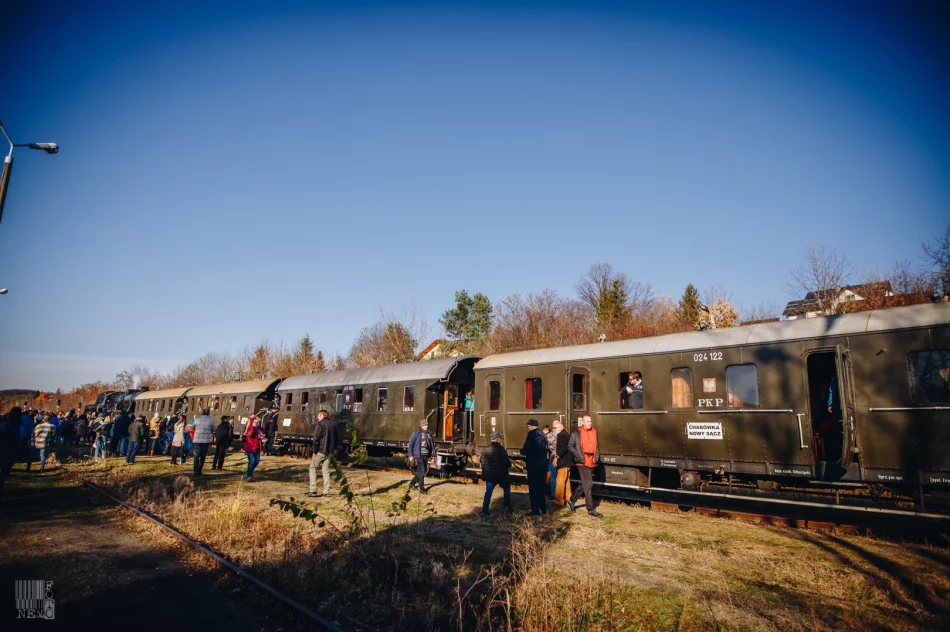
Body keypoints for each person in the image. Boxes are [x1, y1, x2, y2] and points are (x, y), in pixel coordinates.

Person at [567, 415, 602, 518]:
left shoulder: (594, 432)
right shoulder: (577, 432)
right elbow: (570, 445)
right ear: (583, 422)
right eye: (587, 421)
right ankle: (590, 509)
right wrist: (578, 454)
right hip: (582, 461)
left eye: (590, 421)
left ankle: (571, 500)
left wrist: (597, 457)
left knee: (585, 484)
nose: (589, 423)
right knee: (589, 484)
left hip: (591, 460)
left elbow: (597, 446)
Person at [520, 419, 548, 515]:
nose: (527, 428)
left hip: (533, 465)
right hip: (543, 465)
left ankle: (535, 509)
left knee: (533, 487)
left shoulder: (531, 435)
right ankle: (543, 508)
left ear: (531, 426)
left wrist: (521, 451)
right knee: (541, 487)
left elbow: (526, 449)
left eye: (528, 426)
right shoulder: (542, 435)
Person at [480, 431, 511, 516]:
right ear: (497, 439)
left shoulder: (485, 449)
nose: (501, 440)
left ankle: (484, 511)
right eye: (500, 438)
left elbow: (481, 461)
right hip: (501, 475)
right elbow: (507, 463)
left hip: (489, 476)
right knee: (507, 489)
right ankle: (506, 508)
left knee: (488, 492)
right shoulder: (501, 449)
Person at [307, 410, 336, 497]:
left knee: (312, 468)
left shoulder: (320, 424)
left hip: (320, 451)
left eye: (318, 415)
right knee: (326, 471)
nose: (317, 417)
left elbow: (316, 439)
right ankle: (326, 492)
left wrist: (315, 451)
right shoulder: (333, 424)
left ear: (322, 415)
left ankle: (313, 490)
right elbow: (336, 439)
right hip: (329, 452)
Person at [408, 419, 435, 494]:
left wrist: (434, 455)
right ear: (421, 425)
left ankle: (412, 483)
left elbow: (432, 445)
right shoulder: (416, 433)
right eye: (425, 425)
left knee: (421, 471)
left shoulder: (429, 433)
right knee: (422, 471)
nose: (426, 426)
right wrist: (410, 455)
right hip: (418, 455)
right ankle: (422, 489)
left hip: (426, 455)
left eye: (427, 425)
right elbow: (411, 445)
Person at [0, 407, 23, 493]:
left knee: (4, 470)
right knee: (5, 470)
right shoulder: (12, 423)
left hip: (7, 448)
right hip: (8, 448)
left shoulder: (6, 421)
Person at [552, 419, 572, 507]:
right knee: (566, 480)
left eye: (555, 427)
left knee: (560, 481)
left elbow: (563, 448)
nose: (554, 429)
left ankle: (559, 501)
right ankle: (568, 498)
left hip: (563, 461)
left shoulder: (562, 435)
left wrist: (557, 457)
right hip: (568, 461)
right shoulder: (566, 434)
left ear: (561, 426)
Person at [191, 408, 216, 476]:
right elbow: (214, 429)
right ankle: (199, 470)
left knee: (196, 455)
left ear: (202, 413)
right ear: (208, 413)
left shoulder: (197, 420)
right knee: (203, 456)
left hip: (197, 440)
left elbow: (193, 427)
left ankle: (196, 471)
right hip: (205, 441)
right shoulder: (211, 421)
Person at [243, 416, 263, 481]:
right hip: (250, 447)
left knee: (257, 462)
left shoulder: (261, 429)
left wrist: (262, 436)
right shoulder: (251, 428)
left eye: (259, 422)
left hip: (257, 447)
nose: (258, 424)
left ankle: (249, 471)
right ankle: (249, 475)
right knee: (252, 461)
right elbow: (249, 434)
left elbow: (260, 435)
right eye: (257, 422)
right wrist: (253, 426)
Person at [543, 424, 557, 498]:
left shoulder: (549, 437)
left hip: (551, 458)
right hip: (552, 458)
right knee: (552, 476)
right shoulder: (554, 435)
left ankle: (553, 494)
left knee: (552, 476)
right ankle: (552, 492)